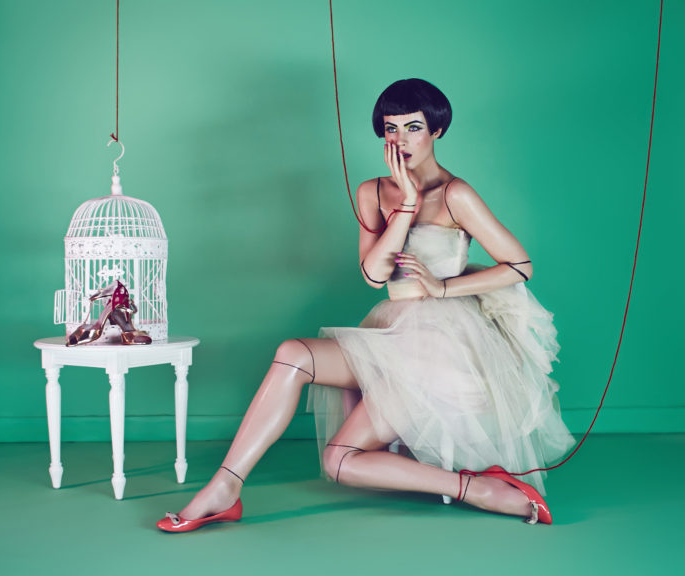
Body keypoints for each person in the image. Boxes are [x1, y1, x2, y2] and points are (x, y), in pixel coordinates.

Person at [156, 78, 574, 532]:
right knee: (292, 353)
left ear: (437, 130)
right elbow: (375, 275)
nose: (401, 140)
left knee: (339, 461)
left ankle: (480, 488)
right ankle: (224, 487)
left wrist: (441, 288)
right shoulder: (373, 192)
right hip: (390, 331)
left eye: (413, 127)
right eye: (391, 129)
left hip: (439, 348)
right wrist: (406, 206)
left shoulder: (456, 194)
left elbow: (519, 265)